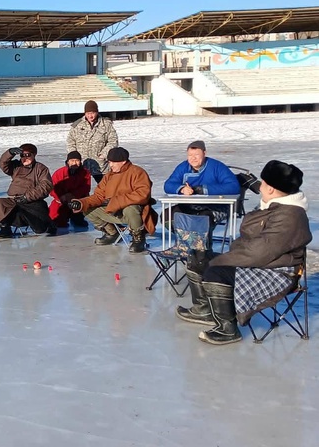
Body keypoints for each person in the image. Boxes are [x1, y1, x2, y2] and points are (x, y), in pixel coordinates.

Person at [176, 160, 311, 345]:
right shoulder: (272, 206)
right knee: (198, 257)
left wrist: (225, 259)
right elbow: (250, 244)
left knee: (215, 269)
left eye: (262, 183)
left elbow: (260, 251)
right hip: (260, 261)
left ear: (271, 188)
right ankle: (204, 310)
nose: (260, 187)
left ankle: (228, 329)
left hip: (277, 271)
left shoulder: (289, 215)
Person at [69, 147, 157, 253]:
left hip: (135, 214)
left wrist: (116, 201)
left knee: (130, 209)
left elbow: (143, 194)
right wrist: (81, 203)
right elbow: (98, 196)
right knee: (87, 209)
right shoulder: (108, 176)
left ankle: (138, 239)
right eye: (109, 162)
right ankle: (112, 233)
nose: (110, 165)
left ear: (123, 162)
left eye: (113, 162)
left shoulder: (138, 172)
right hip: (113, 211)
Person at [162, 140, 241, 239]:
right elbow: (168, 185)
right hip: (190, 205)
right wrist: (182, 189)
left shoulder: (217, 166)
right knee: (167, 215)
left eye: (196, 155)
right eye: (190, 155)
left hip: (216, 207)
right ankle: (186, 241)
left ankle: (201, 250)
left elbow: (233, 186)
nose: (193, 158)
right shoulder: (183, 167)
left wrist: (203, 189)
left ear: (204, 153)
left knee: (202, 220)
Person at [0, 144, 55, 238]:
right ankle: (5, 229)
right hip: (14, 200)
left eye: (28, 155)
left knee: (39, 225)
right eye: (22, 155)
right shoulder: (16, 166)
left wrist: (26, 197)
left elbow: (46, 186)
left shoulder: (41, 168)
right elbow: (3, 164)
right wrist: (10, 153)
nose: (25, 158)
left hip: (31, 201)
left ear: (34, 155)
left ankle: (46, 226)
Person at [66, 100, 118, 183]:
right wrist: (74, 156)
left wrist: (104, 154)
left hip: (100, 164)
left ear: (97, 112)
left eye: (93, 113)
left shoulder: (106, 124)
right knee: (80, 190)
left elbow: (113, 141)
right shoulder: (77, 125)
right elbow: (70, 141)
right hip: (82, 164)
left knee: (106, 189)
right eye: (88, 113)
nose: (90, 116)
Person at [49, 150, 92, 230]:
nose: (74, 163)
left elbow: (86, 188)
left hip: (77, 200)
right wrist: (61, 197)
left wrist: (72, 195)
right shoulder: (59, 173)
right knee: (57, 222)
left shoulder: (85, 172)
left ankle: (76, 217)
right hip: (61, 201)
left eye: (77, 160)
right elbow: (52, 188)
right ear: (68, 162)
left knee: (80, 223)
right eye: (72, 161)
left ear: (80, 162)